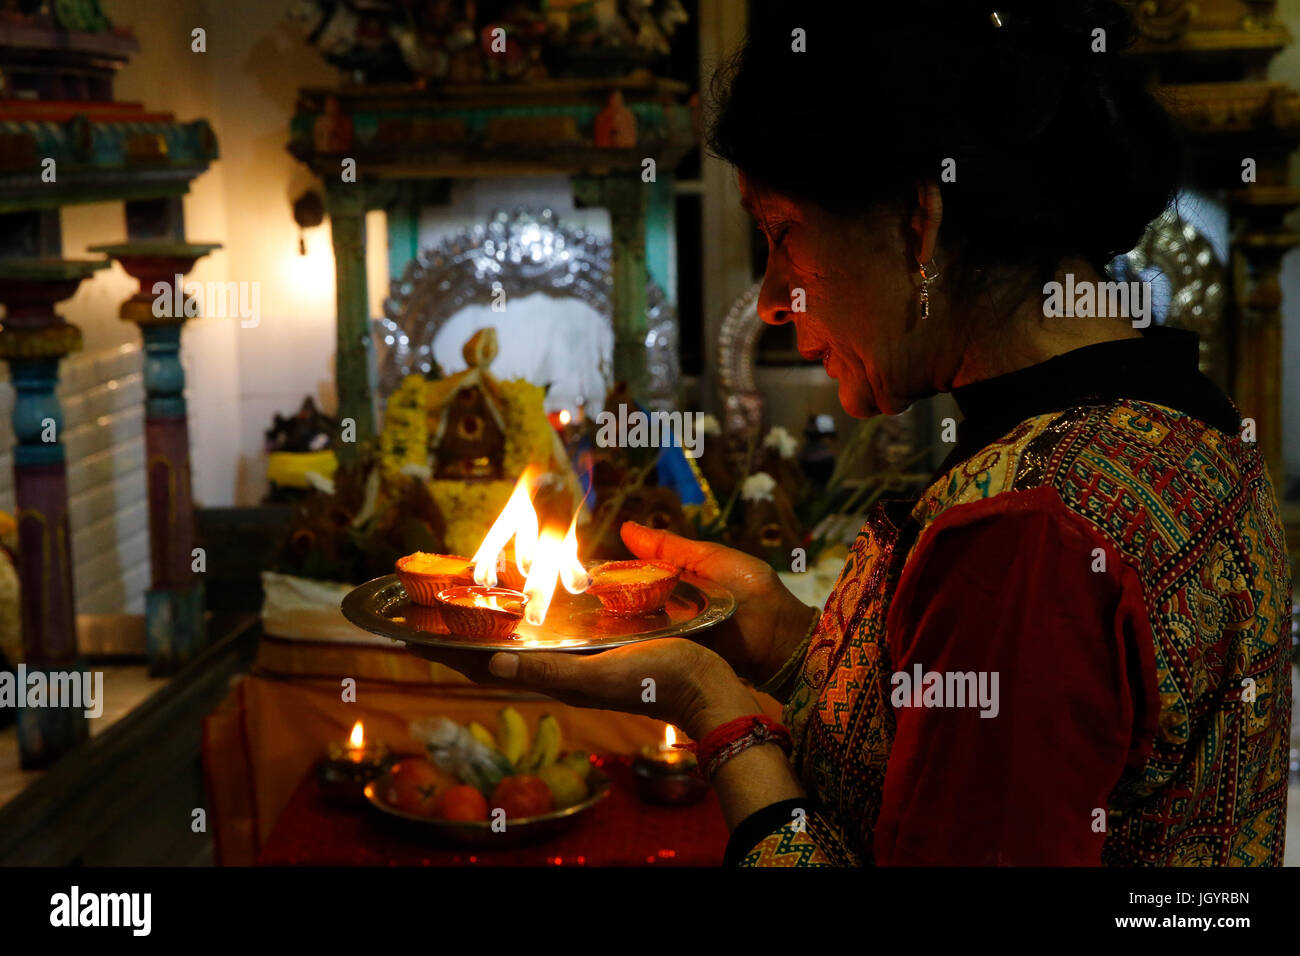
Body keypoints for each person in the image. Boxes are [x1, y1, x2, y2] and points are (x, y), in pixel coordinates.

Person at [406, 0, 1293, 865]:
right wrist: (782, 640)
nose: (769, 298)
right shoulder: (1182, 419)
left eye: (784, 234)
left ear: (920, 221)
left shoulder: (1027, 532)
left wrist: (714, 708)